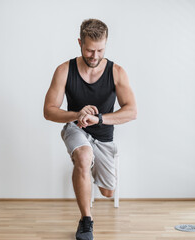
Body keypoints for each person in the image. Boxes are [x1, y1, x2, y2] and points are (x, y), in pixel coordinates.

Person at [43, 18, 137, 240]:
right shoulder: (64, 70)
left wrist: (100, 119)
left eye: (100, 50)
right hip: (76, 127)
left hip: (103, 134)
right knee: (84, 156)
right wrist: (78, 115)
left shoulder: (117, 72)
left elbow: (131, 111)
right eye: (89, 50)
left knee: (107, 192)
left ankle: (83, 170)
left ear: (106, 44)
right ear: (79, 43)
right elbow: (49, 111)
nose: (94, 56)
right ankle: (86, 222)